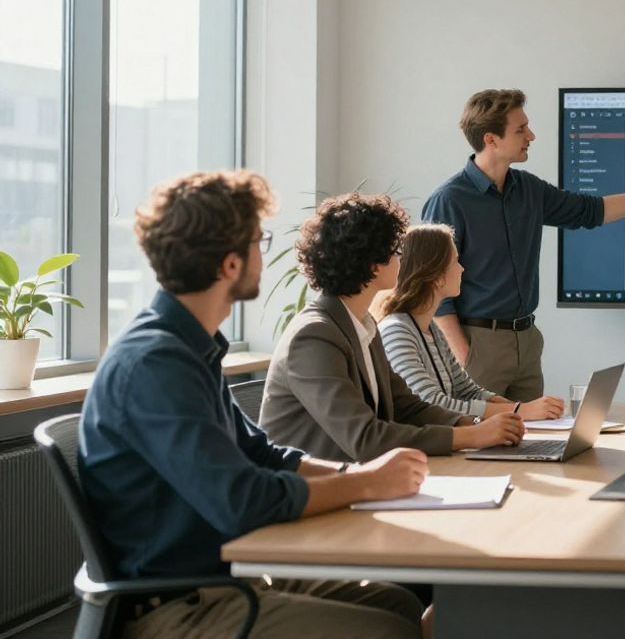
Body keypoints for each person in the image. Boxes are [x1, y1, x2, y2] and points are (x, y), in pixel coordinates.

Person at [79, 170, 432, 638]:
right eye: (257, 241)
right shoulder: (156, 364)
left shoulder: (188, 348)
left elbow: (264, 455)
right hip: (179, 606)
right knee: (394, 629)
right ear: (230, 264)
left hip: (221, 581)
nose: (262, 255)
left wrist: (362, 477)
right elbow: (243, 501)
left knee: (400, 603)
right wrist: (367, 484)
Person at [422, 88, 625, 400]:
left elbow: (592, 210)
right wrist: (464, 354)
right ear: (491, 139)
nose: (531, 135)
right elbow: (432, 288)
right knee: (477, 441)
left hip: (526, 341)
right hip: (478, 344)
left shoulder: (528, 189)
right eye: (521, 129)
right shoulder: (449, 200)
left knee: (530, 441)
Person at [260, 192, 525, 463]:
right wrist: (472, 437)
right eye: (397, 251)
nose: (403, 260)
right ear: (374, 265)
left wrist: (471, 424)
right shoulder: (314, 336)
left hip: (357, 481)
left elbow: (405, 407)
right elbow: (365, 438)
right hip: (314, 493)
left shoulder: (362, 324)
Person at [379, 224, 565, 419]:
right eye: (455, 261)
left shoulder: (431, 329)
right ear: (435, 276)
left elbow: (467, 391)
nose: (462, 269)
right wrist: (519, 410)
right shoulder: (396, 331)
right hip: (425, 448)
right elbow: (430, 403)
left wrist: (519, 408)